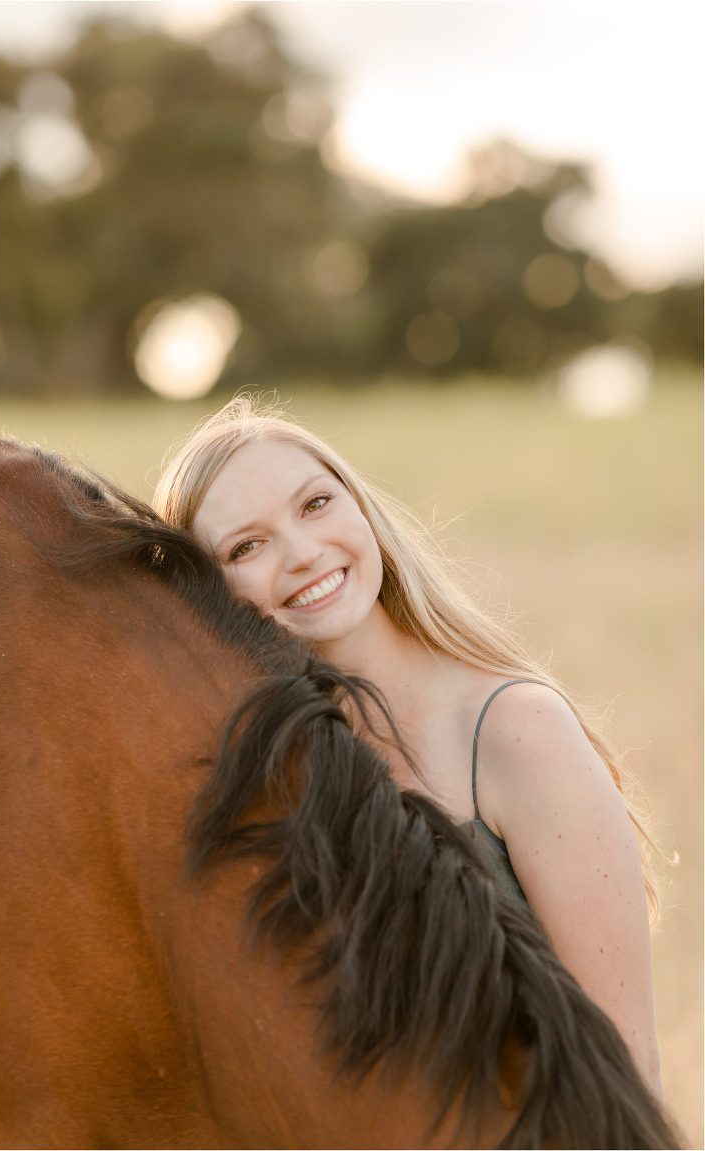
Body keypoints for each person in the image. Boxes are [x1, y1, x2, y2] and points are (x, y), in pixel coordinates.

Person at [153, 393, 663, 1097]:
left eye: (315, 505)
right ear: (209, 595)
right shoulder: (255, 783)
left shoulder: (517, 730)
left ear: (362, 510)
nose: (303, 554)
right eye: (247, 545)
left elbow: (628, 1071)